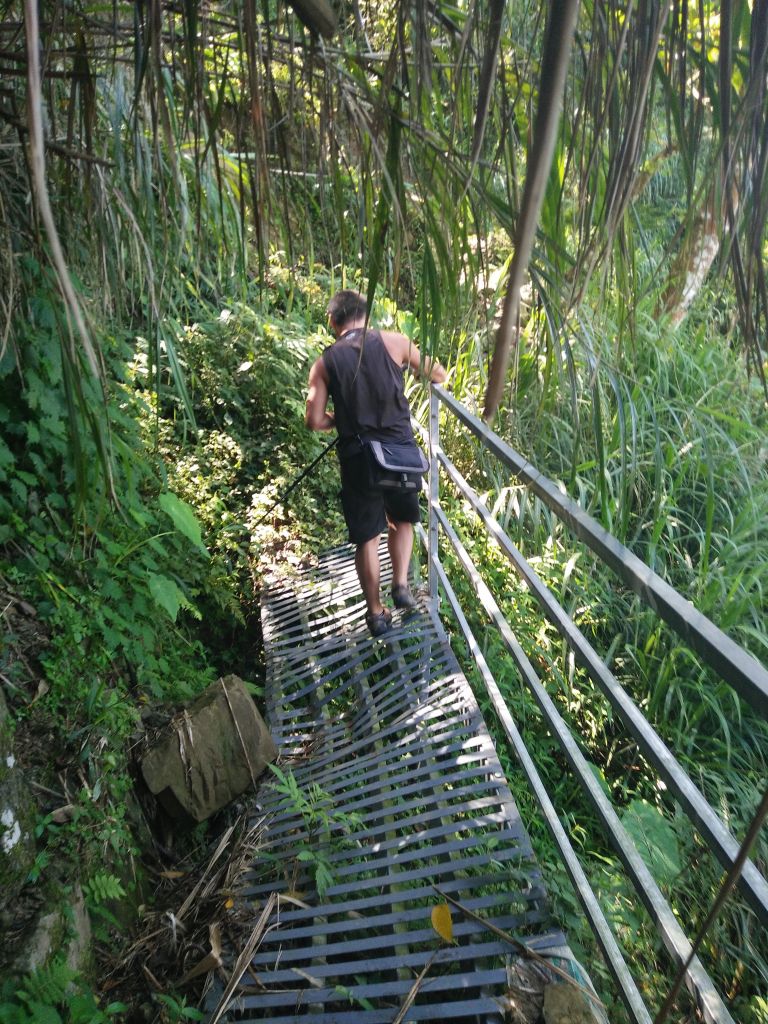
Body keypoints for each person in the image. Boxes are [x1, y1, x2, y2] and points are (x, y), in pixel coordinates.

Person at [305, 290, 447, 637]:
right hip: (400, 453)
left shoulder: (325, 363)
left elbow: (313, 420)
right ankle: (401, 585)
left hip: (359, 459)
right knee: (402, 519)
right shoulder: (395, 342)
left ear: (333, 321)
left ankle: (376, 614)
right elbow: (438, 374)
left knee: (367, 537)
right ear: (365, 315)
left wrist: (338, 420)